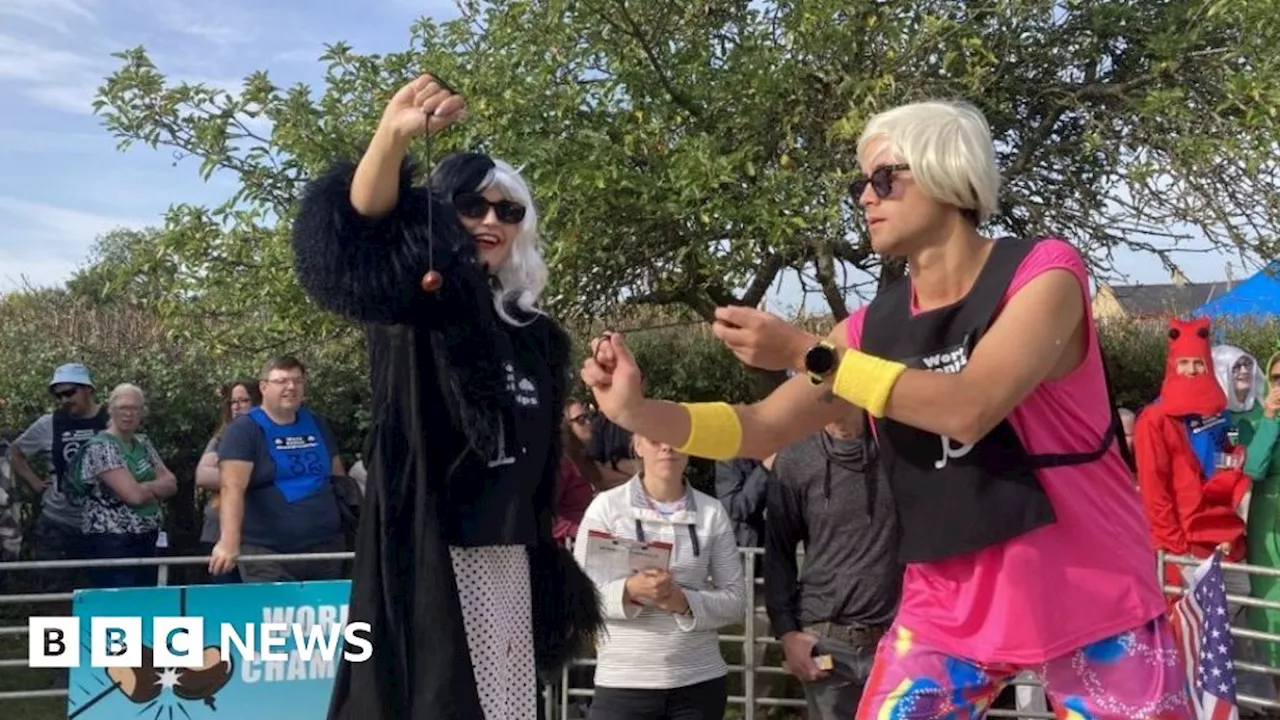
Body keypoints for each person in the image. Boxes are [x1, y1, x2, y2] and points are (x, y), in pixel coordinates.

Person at [580, 100, 1188, 717]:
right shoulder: (868, 328)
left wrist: (804, 352)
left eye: (882, 179)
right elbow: (758, 425)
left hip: (1091, 589)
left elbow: (969, 406)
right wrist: (637, 411)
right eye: (860, 185)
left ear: (947, 172)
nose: (864, 199)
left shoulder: (1043, 273)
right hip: (948, 604)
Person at [289, 73, 602, 720]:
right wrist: (393, 135)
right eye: (472, 205)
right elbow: (362, 229)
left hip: (511, 549)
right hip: (433, 544)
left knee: (509, 707)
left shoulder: (535, 334)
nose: (491, 221)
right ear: (440, 213)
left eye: (507, 210)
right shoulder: (419, 299)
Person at [573, 432, 745, 719]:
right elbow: (578, 598)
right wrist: (629, 591)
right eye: (654, 439)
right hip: (624, 684)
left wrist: (683, 602)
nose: (667, 446)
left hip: (697, 684)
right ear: (638, 446)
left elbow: (736, 600)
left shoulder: (712, 512)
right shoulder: (606, 508)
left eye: (677, 438)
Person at [764, 409, 900, 719]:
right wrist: (787, 634)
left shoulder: (899, 450)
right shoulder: (796, 459)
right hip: (826, 643)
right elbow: (778, 553)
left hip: (894, 641)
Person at [1134, 320, 1249, 597]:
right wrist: (1175, 550)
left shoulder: (1219, 413)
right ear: (1172, 364)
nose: (1191, 371)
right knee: (1191, 622)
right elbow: (1154, 491)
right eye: (1183, 363)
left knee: (1238, 596)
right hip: (1184, 542)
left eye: (1198, 363)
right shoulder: (1153, 420)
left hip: (1220, 534)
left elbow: (1227, 452)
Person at [207, 356, 348, 583]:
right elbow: (231, 486)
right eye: (281, 381)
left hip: (325, 545)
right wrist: (228, 541)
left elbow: (337, 475)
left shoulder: (317, 423)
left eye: (297, 381)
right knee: (274, 616)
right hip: (267, 550)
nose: (291, 387)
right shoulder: (245, 429)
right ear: (264, 387)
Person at [69, 383, 178, 588]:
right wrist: (153, 487)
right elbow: (133, 496)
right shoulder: (101, 446)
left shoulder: (143, 442)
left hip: (147, 537)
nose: (129, 414)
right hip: (112, 542)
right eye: (122, 408)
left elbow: (171, 483)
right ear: (111, 409)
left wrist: (143, 487)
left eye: (135, 408)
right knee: (119, 605)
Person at [195, 378, 261, 583]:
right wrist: (244, 474)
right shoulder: (220, 439)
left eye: (244, 401)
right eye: (233, 402)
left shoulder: (267, 436)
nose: (237, 407)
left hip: (257, 534)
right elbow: (203, 475)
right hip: (217, 532)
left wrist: (226, 468)